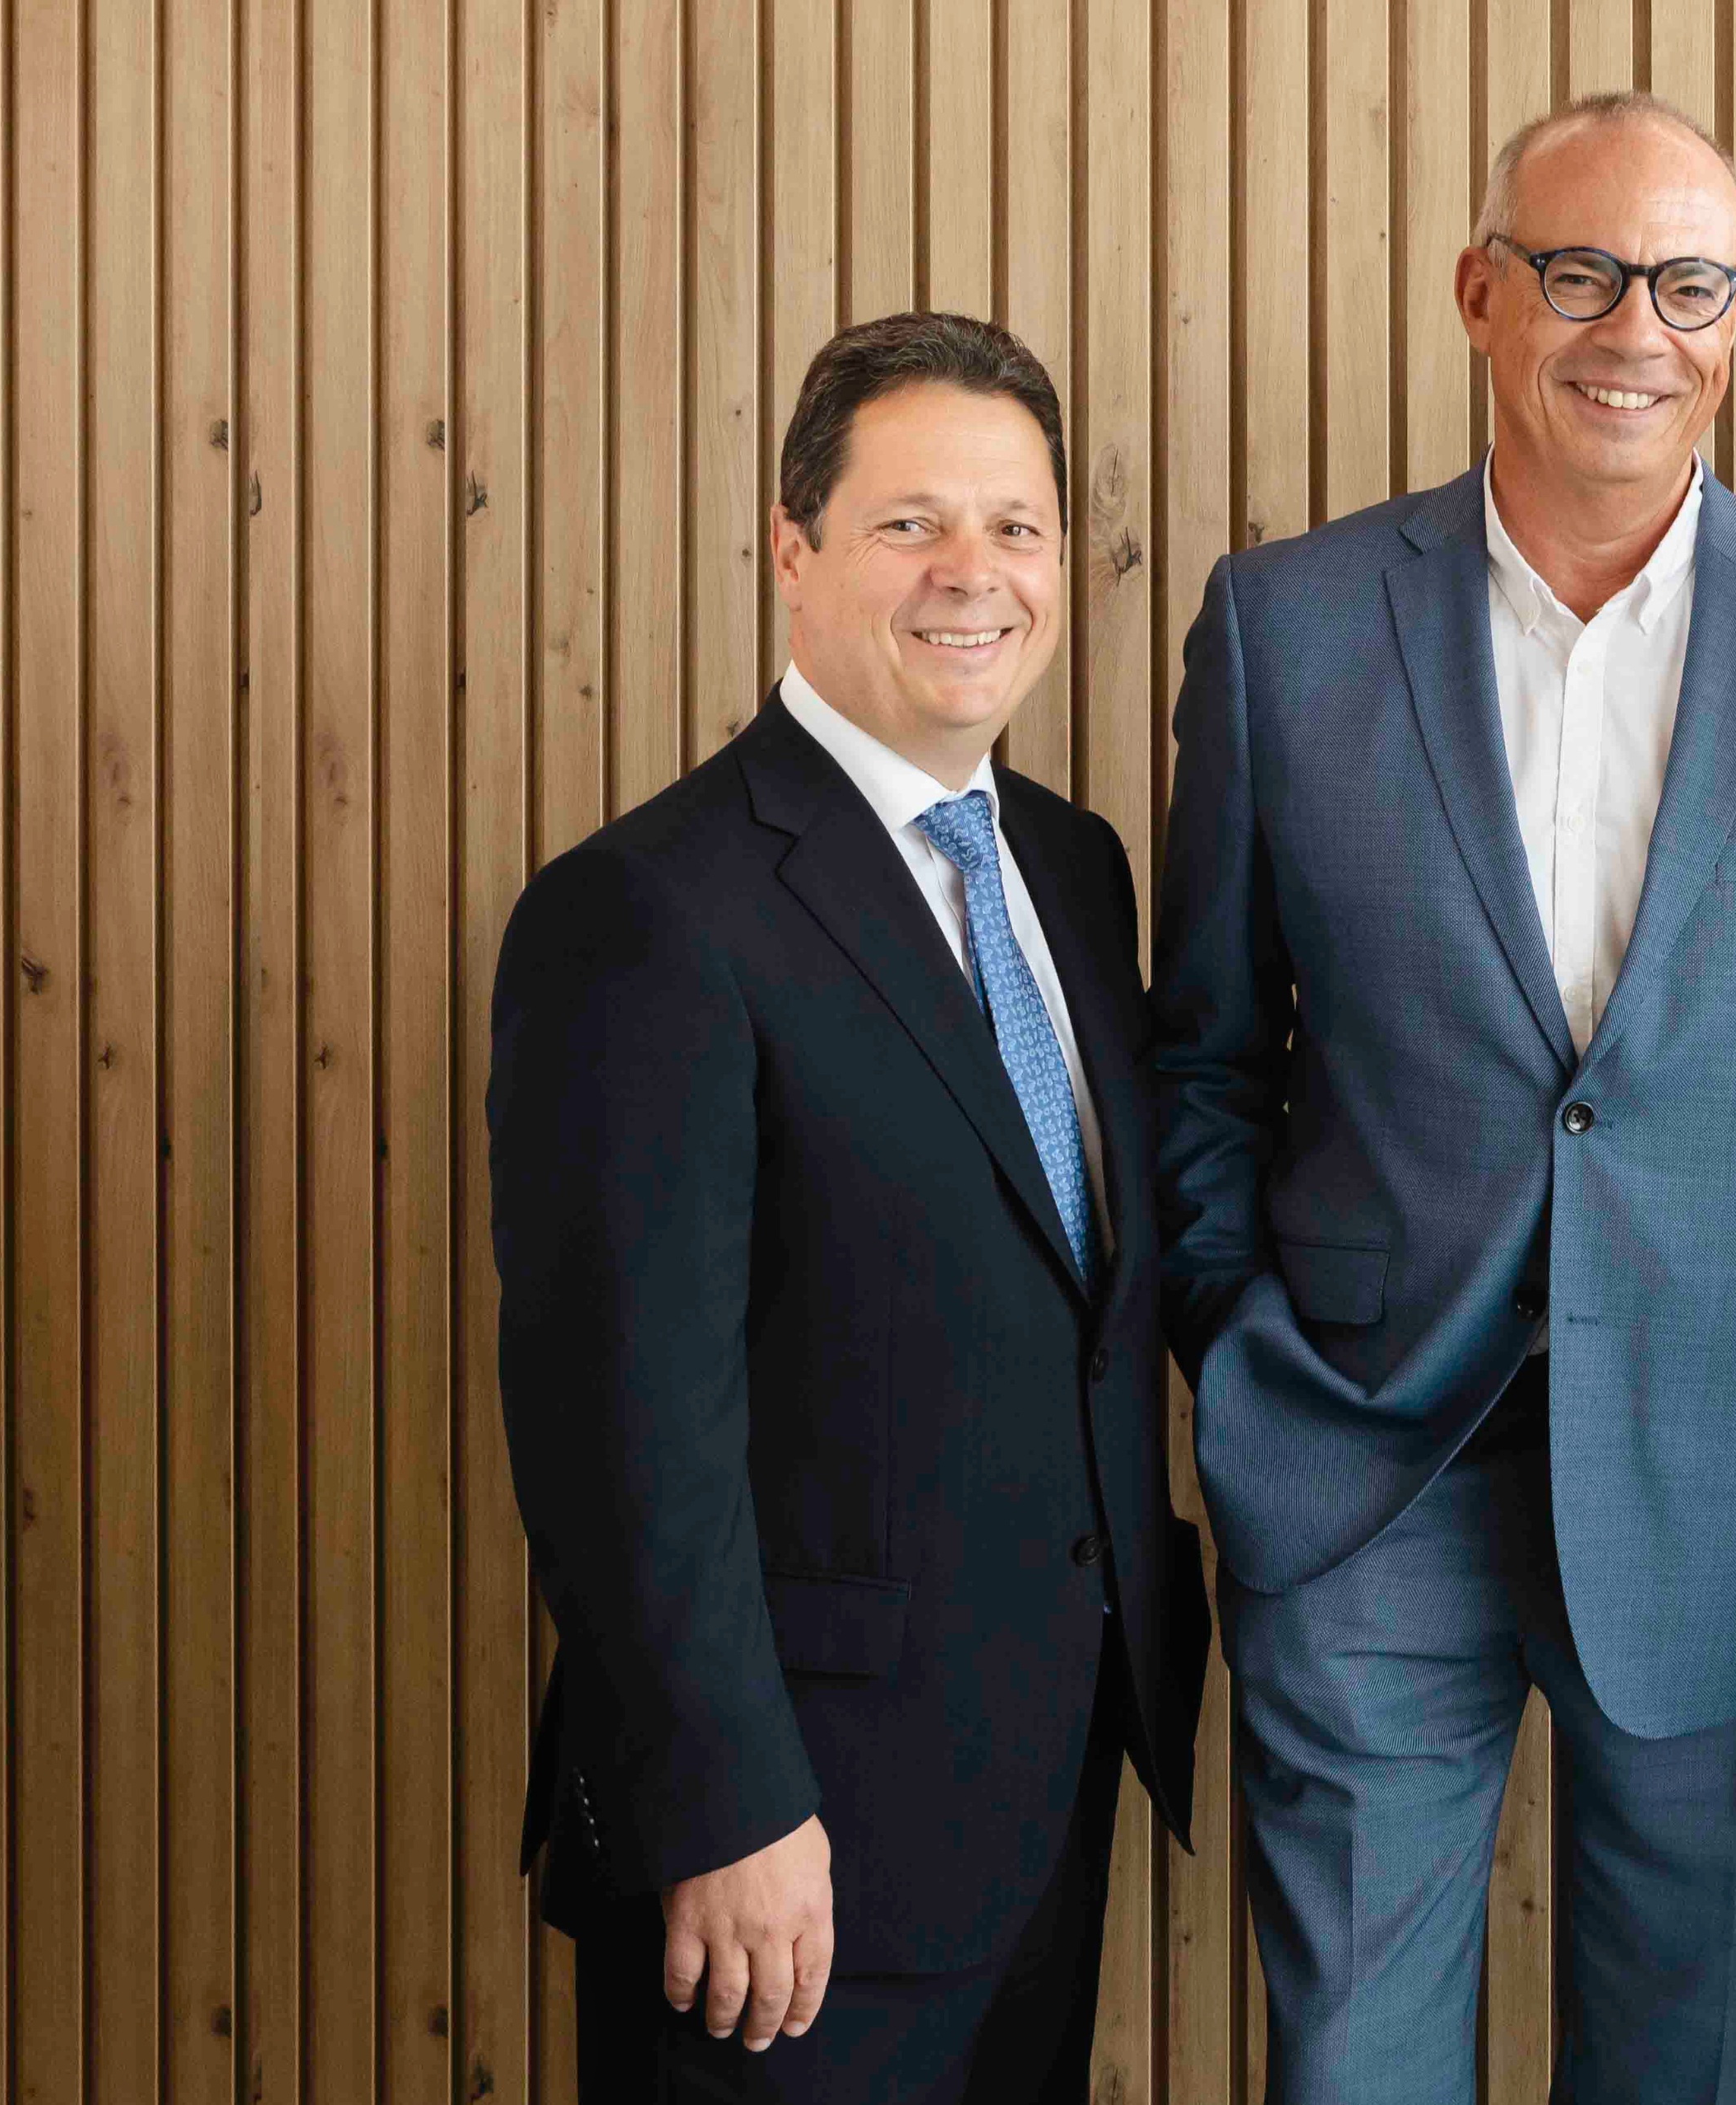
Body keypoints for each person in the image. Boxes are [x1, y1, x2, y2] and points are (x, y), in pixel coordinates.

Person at [1150, 90, 1736, 2103]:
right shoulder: (1285, 628)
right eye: (1581, 272)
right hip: (1365, 1468)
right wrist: (1245, 1347)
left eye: (1690, 283)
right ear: (1480, 294)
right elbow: (1201, 1055)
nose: (1637, 327)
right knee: (1351, 2071)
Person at [488, 310, 1206, 2103]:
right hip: (779, 1854)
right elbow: (619, 1422)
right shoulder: (649, 913)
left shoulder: (1075, 869)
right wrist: (723, 1801)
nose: (975, 572)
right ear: (792, 551)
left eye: (1017, 526)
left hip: (1037, 1808)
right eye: (910, 522)